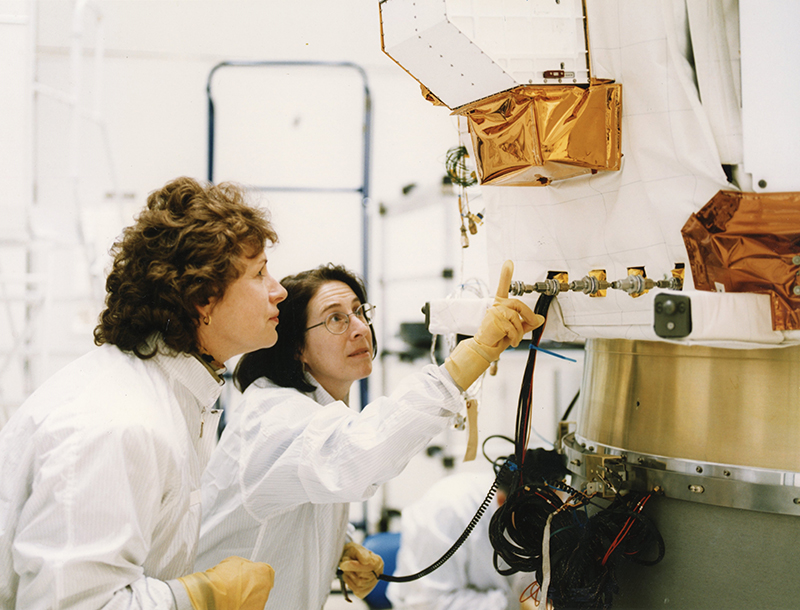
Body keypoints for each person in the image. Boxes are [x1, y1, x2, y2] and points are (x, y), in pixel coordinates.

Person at [0, 177, 282, 610]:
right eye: (260, 272)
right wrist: (200, 597)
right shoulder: (118, 424)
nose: (278, 289)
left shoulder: (172, 397)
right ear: (204, 298)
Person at [197, 261, 543, 609]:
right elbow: (360, 453)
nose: (360, 328)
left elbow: (297, 493)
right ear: (297, 347)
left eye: (359, 312)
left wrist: (341, 546)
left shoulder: (316, 413)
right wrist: (466, 361)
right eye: (336, 318)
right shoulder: (274, 417)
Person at [387, 449, 568, 610]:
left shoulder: (527, 510)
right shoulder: (447, 511)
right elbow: (431, 604)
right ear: (503, 503)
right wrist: (515, 605)